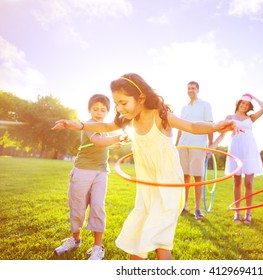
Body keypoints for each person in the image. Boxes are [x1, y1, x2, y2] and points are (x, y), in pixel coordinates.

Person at [52, 73, 238, 260]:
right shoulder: (129, 120)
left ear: (141, 98)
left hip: (168, 188)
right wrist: (76, 125)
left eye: (123, 103)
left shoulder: (161, 116)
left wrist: (216, 126)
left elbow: (191, 126)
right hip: (147, 191)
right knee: (138, 244)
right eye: (117, 104)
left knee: (158, 245)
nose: (119, 108)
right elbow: (105, 127)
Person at [54, 94, 128, 260]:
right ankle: (75, 239)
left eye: (103, 110)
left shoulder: (106, 127)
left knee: (97, 207)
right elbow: (98, 142)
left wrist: (115, 144)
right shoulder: (88, 125)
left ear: (108, 112)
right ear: (89, 110)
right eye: (95, 109)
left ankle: (97, 247)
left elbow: (105, 143)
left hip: (101, 172)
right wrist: (120, 137)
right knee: (78, 207)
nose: (99, 112)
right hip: (82, 171)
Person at [210, 93, 263, 224]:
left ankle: (248, 213)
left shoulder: (251, 118)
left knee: (249, 183)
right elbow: (221, 135)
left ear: (249, 107)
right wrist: (212, 146)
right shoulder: (230, 117)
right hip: (236, 150)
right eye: (242, 103)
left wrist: (253, 96)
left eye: (247, 104)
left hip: (249, 151)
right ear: (238, 103)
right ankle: (237, 212)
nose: (244, 106)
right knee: (237, 182)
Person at [175, 81, 213, 220]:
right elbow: (180, 127)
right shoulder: (184, 108)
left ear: (198, 90)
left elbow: (210, 125)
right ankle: (184, 205)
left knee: (197, 176)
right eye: (189, 88)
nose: (190, 90)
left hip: (198, 144)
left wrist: (211, 144)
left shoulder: (205, 105)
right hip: (183, 145)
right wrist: (176, 144)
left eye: (193, 88)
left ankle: (198, 208)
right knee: (184, 176)